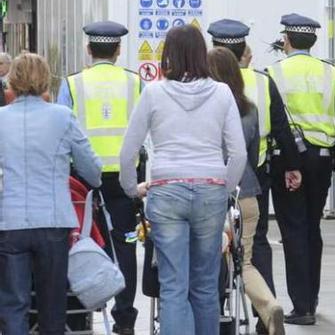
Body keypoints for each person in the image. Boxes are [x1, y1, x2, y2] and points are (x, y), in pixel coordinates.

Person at [119, 25, 247, 334]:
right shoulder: (222, 93)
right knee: (205, 285)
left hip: (166, 191)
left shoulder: (153, 93)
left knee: (173, 285)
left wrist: (131, 189)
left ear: (169, 55)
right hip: (210, 191)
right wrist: (223, 188)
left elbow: (127, 153)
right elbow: (239, 153)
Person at [207, 19, 300, 333]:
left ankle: (217, 315)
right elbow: (275, 133)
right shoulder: (253, 98)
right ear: (243, 49)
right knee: (251, 254)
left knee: (213, 255)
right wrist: (291, 166)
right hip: (250, 184)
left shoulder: (204, 99)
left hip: (210, 190)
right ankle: (267, 309)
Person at [0, 53, 103, 334]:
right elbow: (92, 169)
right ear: (46, 79)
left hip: (10, 222)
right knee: (52, 305)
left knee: (13, 305)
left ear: (13, 80)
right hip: (54, 222)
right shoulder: (63, 117)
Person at [266, 13, 335, 326]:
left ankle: (301, 305)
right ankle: (312, 298)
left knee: (292, 229)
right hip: (320, 161)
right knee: (311, 227)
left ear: (287, 40)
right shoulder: (330, 73)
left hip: (285, 161)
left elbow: (273, 122)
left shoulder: (273, 72)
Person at [56, 21, 143, 334]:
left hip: (83, 180)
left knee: (82, 243)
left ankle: (84, 313)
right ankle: (125, 319)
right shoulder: (135, 83)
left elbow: (61, 132)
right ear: (118, 50)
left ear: (88, 49)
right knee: (126, 244)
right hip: (124, 179)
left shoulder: (72, 83)